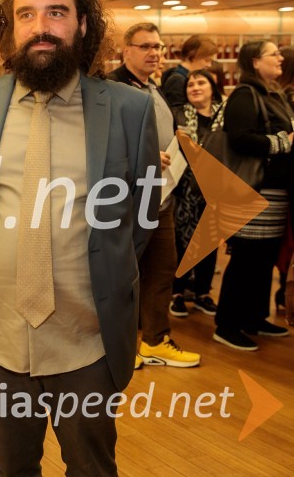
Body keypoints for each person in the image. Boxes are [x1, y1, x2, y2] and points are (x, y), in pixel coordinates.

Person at [0, 0, 160, 475]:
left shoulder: (129, 110)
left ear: (82, 23)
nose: (40, 26)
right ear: (10, 27)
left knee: (92, 469)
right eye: (26, 14)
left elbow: (140, 219)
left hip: (87, 342)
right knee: (9, 468)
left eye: (56, 12)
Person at [109, 22, 201, 367]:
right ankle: (117, 347)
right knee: (122, 275)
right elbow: (104, 144)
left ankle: (155, 341)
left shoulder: (154, 88)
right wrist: (142, 157)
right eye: (145, 46)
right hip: (126, 200)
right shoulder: (111, 89)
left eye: (158, 47)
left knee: (162, 270)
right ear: (126, 50)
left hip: (161, 196)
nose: (154, 53)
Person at [214, 40, 293, 350]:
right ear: (255, 62)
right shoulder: (245, 95)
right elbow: (241, 139)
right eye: (274, 54)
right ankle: (227, 324)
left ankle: (253, 317)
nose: (280, 58)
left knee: (264, 257)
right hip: (253, 189)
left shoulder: (273, 94)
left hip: (274, 189)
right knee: (247, 257)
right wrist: (283, 142)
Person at [171, 70, 223, 316]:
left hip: (216, 189)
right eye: (190, 84)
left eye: (201, 82)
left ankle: (203, 293)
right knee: (182, 242)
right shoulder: (179, 115)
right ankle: (177, 293)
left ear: (213, 88)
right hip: (185, 190)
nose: (195, 87)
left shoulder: (225, 116)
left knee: (210, 242)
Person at [161, 35, 217, 109]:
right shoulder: (177, 81)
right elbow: (178, 113)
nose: (209, 65)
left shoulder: (186, 77)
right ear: (192, 57)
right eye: (207, 60)